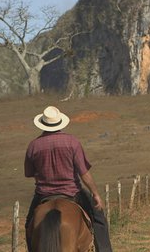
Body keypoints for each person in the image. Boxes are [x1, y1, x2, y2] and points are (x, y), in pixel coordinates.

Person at [24, 105, 113, 252]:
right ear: (59, 123)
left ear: (43, 123)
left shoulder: (33, 146)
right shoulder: (72, 142)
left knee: (29, 225)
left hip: (43, 195)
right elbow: (84, 173)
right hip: (72, 193)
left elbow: (28, 173)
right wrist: (95, 193)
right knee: (99, 218)